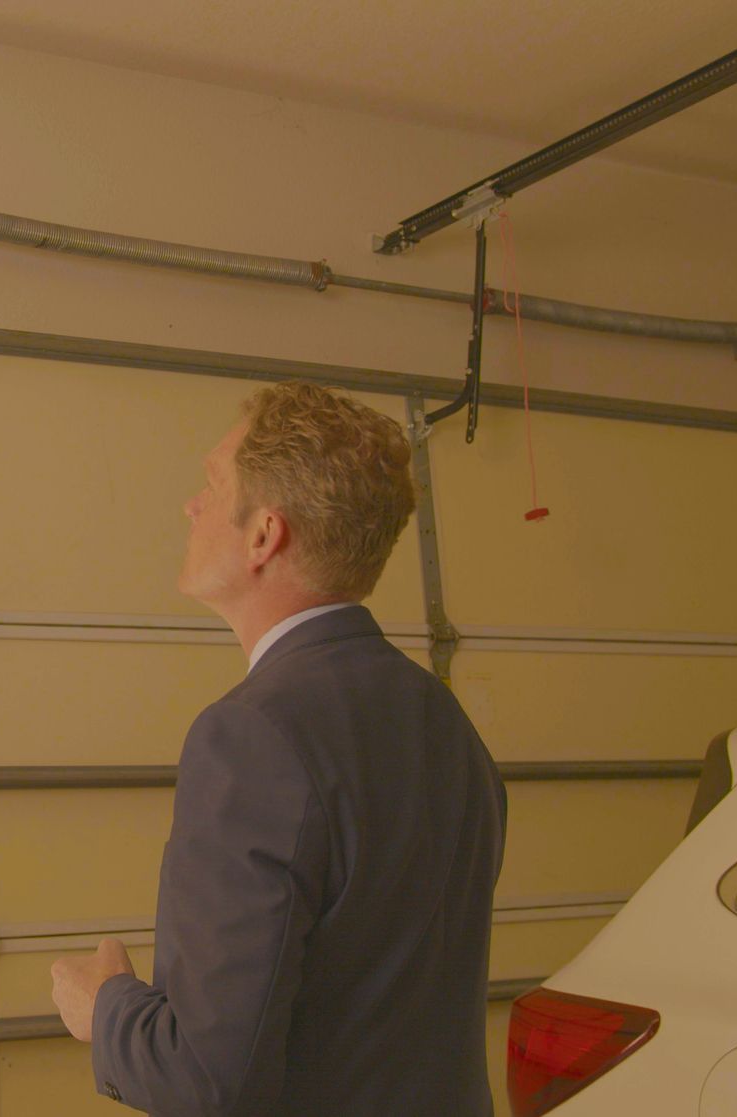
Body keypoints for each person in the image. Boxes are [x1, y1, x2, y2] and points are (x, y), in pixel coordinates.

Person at [49, 381, 506, 1115]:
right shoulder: (447, 724)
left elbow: (210, 1081)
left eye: (211, 483)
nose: (191, 506)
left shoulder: (251, 737)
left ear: (264, 534)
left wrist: (102, 1007)